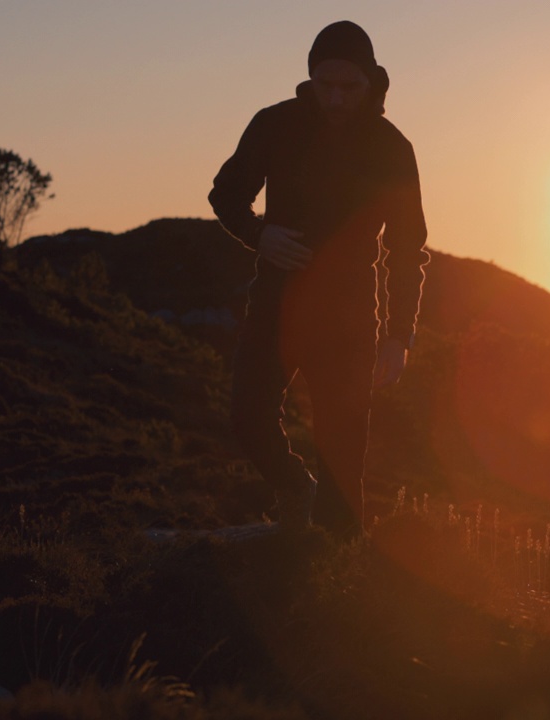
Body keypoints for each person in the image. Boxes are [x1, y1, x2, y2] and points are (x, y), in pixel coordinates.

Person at [208, 20, 429, 534]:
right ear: (311, 79)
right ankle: (293, 487)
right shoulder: (276, 124)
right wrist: (257, 233)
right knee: (247, 420)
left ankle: (336, 586)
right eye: (325, 85)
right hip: (276, 302)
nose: (335, 98)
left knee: (343, 461)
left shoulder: (392, 148)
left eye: (348, 87)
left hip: (351, 318)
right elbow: (226, 194)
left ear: (371, 82)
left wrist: (399, 335)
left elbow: (405, 248)